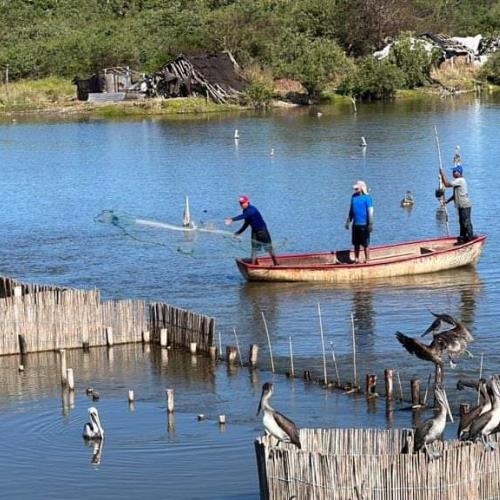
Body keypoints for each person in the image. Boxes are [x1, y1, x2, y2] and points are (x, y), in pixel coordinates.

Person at [225, 196, 278, 265]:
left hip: (262, 231)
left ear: (247, 202)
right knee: (254, 249)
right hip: (254, 232)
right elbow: (246, 223)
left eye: (242, 203)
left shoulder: (252, 209)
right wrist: (239, 232)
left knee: (268, 248)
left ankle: (276, 263)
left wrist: (232, 219)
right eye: (240, 203)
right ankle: (253, 265)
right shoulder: (245, 211)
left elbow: (243, 216)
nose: (241, 205)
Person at [440, 165, 474, 243]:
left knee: (466, 222)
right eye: (453, 171)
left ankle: (470, 238)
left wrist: (443, 174)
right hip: (461, 205)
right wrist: (447, 201)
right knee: (461, 222)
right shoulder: (457, 181)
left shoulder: (460, 180)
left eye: (454, 171)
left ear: (459, 172)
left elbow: (447, 184)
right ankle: (463, 237)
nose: (453, 173)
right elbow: (455, 195)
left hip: (465, 205)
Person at [345, 180, 373, 264]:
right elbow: (351, 210)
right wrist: (348, 221)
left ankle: (367, 259)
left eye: (357, 188)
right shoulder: (353, 196)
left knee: (365, 243)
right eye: (355, 188)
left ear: (362, 188)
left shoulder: (367, 198)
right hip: (355, 224)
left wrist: (370, 224)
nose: (355, 189)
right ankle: (356, 259)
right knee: (356, 244)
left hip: (364, 225)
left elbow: (370, 211)